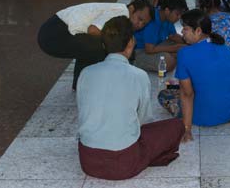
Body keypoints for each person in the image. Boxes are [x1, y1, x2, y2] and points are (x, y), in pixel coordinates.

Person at [76, 16, 183, 180]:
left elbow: (84, 112)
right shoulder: (138, 76)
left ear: (104, 44)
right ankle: (145, 157)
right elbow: (143, 120)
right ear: (131, 42)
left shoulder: (86, 73)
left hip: (88, 161)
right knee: (175, 126)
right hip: (124, 162)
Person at [158, 9, 230, 131]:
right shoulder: (223, 47)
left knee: (164, 95)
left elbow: (187, 94)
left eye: (185, 28)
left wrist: (187, 128)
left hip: (203, 117)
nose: (182, 32)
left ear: (198, 31)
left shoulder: (184, 53)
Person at [37, 0, 152, 89]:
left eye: (144, 23)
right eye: (139, 19)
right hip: (55, 33)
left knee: (93, 46)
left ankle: (80, 84)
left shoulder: (121, 16)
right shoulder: (120, 12)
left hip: (52, 31)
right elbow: (93, 30)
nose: (139, 25)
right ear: (131, 9)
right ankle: (97, 83)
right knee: (109, 46)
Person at [132, 0, 187, 72]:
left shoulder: (167, 18)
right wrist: (175, 48)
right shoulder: (152, 19)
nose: (179, 18)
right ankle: (174, 56)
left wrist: (189, 42)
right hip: (140, 51)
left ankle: (175, 55)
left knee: (181, 47)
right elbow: (149, 49)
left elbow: (173, 36)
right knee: (167, 62)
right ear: (167, 11)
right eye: (177, 14)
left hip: (157, 45)